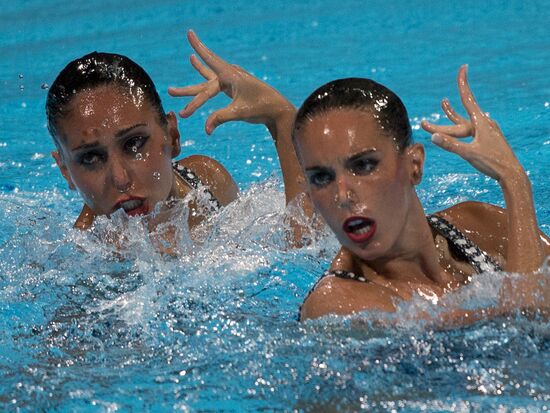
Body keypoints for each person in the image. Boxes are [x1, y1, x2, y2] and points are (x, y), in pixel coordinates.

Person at [294, 66, 550, 321]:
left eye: (363, 165)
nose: (342, 195)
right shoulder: (336, 304)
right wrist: (514, 180)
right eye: (321, 177)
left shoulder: (479, 224)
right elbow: (525, 323)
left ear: (413, 166)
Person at [46, 31, 303, 248]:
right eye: (90, 157)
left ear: (172, 136)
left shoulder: (206, 181)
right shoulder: (84, 258)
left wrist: (279, 116)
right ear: (66, 170)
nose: (120, 178)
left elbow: (303, 247)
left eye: (134, 144)